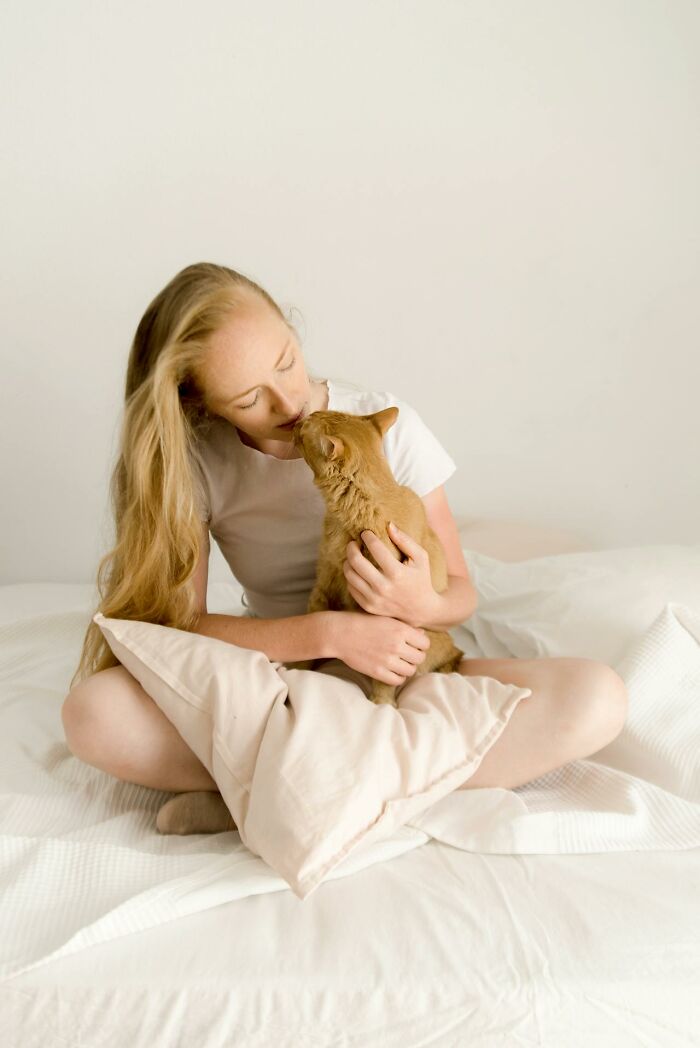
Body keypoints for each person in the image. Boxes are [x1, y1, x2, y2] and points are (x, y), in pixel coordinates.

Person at [62, 262, 628, 800]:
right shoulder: (195, 463)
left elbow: (460, 593)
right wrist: (330, 636)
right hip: (284, 674)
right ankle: (386, 781)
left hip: (406, 666)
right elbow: (184, 627)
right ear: (198, 403)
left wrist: (420, 603)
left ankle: (298, 785)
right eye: (249, 398)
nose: (289, 403)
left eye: (286, 361)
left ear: (291, 328)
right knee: (93, 714)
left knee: (598, 697)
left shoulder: (382, 422)